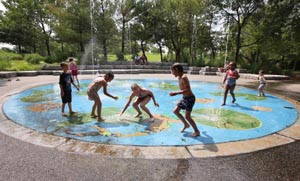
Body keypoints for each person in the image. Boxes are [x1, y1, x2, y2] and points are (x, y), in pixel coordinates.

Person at [169, 63, 200, 137]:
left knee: (187, 116)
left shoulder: (184, 77)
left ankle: (197, 131)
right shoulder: (179, 77)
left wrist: (176, 93)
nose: (172, 73)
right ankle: (186, 124)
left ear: (176, 70)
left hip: (190, 98)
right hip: (185, 98)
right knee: (175, 111)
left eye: (173, 71)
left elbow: (188, 89)